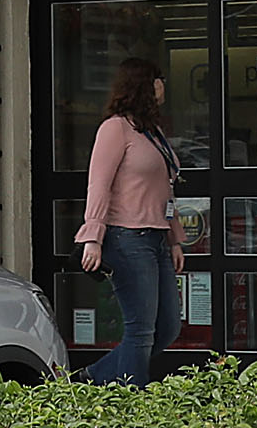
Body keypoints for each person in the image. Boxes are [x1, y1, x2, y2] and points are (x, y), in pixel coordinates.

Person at [74, 56, 184, 384]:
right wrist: (92, 236)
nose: (163, 85)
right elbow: (99, 184)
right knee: (141, 330)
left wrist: (174, 238)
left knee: (167, 327)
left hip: (156, 238)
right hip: (127, 237)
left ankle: (93, 376)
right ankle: (131, 401)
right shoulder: (115, 128)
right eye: (157, 78)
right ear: (143, 85)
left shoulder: (151, 132)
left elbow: (165, 189)